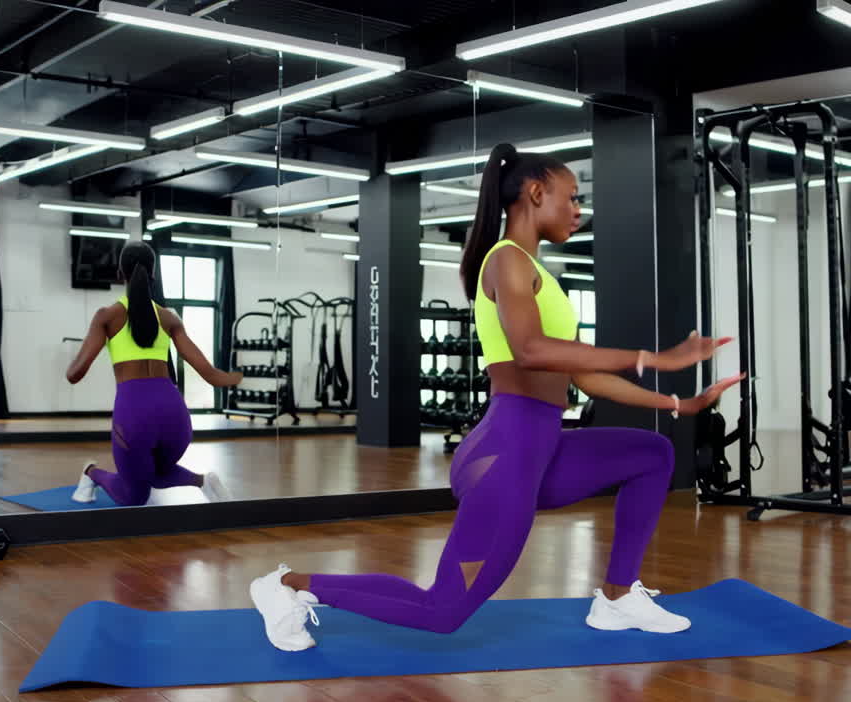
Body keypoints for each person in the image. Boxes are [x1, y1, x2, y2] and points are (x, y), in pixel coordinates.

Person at [248, 143, 742, 652]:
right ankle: (288, 587)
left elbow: (585, 378)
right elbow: (529, 350)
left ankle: (616, 599)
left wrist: (679, 405)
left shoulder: (539, 274)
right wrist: (655, 358)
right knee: (442, 611)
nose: (578, 210)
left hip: (540, 447)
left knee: (652, 454)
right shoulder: (505, 260)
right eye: (571, 198)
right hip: (506, 456)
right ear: (535, 193)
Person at [65, 241, 241, 506]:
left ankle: (90, 473)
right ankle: (203, 481)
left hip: (135, 415)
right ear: (153, 275)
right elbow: (210, 374)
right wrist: (239, 376)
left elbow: (74, 374)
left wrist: (92, 342)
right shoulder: (169, 318)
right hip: (176, 419)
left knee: (134, 495)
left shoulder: (107, 316)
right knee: (154, 472)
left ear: (120, 274)